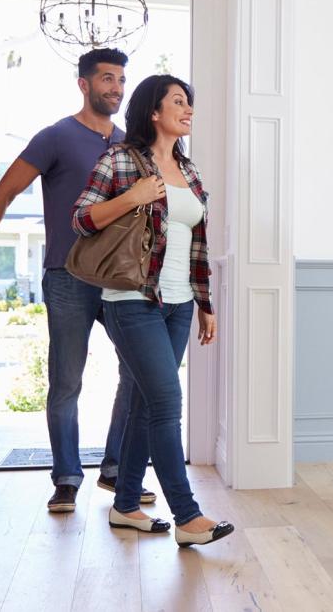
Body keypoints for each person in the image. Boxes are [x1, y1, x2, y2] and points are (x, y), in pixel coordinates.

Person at [0, 47, 156, 513]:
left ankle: (117, 468)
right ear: (84, 84)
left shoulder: (128, 146)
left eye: (120, 80)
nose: (116, 88)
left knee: (138, 373)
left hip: (121, 281)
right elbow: (3, 193)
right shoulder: (56, 137)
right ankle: (66, 477)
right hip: (68, 276)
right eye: (106, 79)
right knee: (66, 380)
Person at [72, 73, 234, 546]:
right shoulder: (120, 160)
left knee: (145, 404)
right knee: (166, 404)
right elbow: (80, 218)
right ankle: (187, 517)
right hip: (132, 301)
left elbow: (198, 244)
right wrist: (131, 196)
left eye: (190, 103)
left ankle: (125, 506)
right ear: (154, 111)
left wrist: (206, 305)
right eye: (179, 102)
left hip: (180, 305)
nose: (189, 111)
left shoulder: (191, 170)